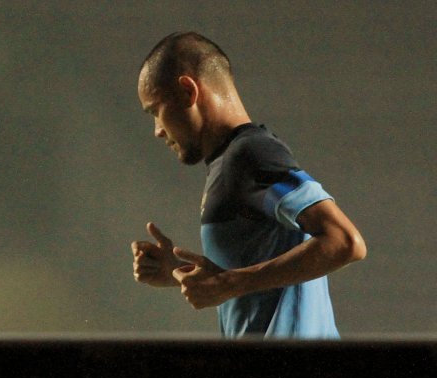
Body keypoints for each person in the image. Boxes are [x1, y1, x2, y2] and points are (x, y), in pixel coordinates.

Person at [131, 32, 366, 338]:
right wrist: (176, 272)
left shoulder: (251, 155)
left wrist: (230, 284)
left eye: (156, 111)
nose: (157, 131)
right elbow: (251, 275)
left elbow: (345, 241)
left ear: (188, 91)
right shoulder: (229, 163)